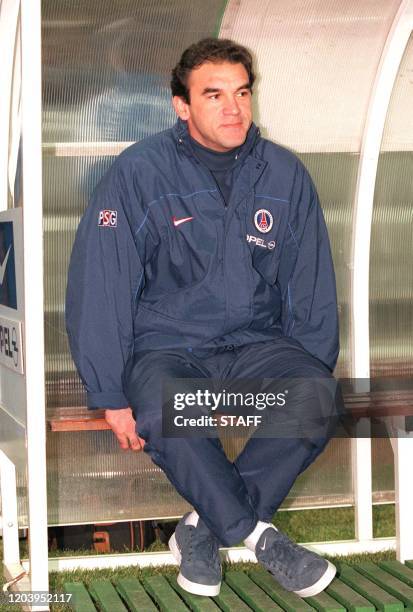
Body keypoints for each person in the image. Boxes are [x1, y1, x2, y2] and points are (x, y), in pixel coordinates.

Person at [66, 38, 341, 598]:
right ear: (181, 106)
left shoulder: (285, 176)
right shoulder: (139, 173)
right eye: (213, 95)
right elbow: (103, 283)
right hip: (169, 349)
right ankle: (260, 537)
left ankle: (202, 528)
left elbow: (310, 285)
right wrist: (110, 392)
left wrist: (309, 373)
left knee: (317, 395)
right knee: (169, 407)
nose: (233, 108)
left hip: (254, 350)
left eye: (241, 92)